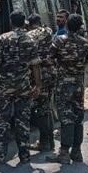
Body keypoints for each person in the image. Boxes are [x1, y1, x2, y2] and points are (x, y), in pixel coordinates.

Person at [0, 10, 42, 164]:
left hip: (5, 87)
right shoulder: (31, 40)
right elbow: (36, 66)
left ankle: (1, 155)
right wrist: (38, 85)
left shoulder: (3, 38)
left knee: (3, 121)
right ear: (24, 22)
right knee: (22, 122)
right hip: (23, 87)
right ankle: (24, 156)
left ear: (11, 22)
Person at [46, 14, 88, 164]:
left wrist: (59, 69)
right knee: (78, 116)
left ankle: (64, 152)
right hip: (78, 84)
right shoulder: (85, 43)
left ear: (66, 25)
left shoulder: (59, 41)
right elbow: (85, 62)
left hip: (63, 84)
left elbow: (49, 59)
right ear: (80, 27)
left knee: (65, 117)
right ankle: (77, 151)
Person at [27, 14, 56, 152]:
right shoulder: (49, 31)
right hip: (51, 74)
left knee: (40, 110)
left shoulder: (30, 35)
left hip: (39, 75)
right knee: (46, 108)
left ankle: (45, 143)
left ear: (29, 24)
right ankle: (49, 142)